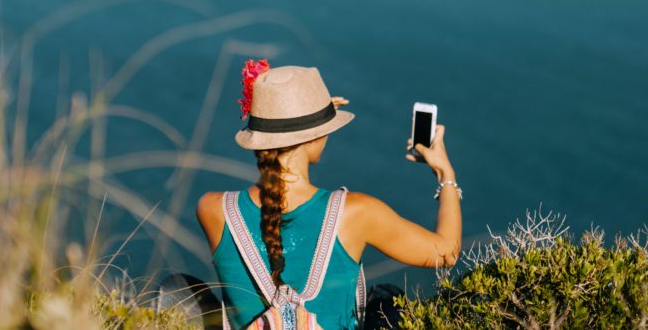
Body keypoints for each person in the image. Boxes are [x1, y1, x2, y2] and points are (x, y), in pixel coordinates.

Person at [197, 64, 461, 329]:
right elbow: (446, 253)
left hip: (287, 136)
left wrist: (307, 117)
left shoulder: (214, 209)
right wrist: (444, 173)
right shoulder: (357, 213)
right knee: (387, 300)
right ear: (313, 138)